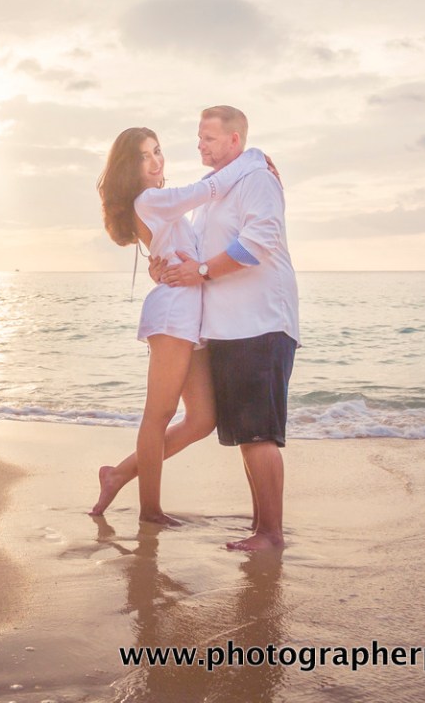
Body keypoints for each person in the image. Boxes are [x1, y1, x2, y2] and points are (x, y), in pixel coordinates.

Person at [91, 126, 270, 526]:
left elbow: (177, 251)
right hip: (174, 315)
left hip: (192, 317)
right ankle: (150, 510)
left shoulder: (157, 205)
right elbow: (206, 190)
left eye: (158, 151)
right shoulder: (150, 199)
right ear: (128, 166)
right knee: (159, 414)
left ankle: (118, 473)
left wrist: (165, 267)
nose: (156, 161)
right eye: (144, 155)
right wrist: (252, 157)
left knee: (202, 419)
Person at [154, 105, 299, 551]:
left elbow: (259, 240)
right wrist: (174, 267)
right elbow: (201, 253)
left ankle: (270, 534)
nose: (200, 145)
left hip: (260, 321)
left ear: (235, 140)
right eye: (199, 138)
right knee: (248, 436)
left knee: (259, 434)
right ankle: (261, 529)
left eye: (209, 138)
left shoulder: (256, 178)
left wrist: (200, 269)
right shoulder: (218, 193)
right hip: (231, 327)